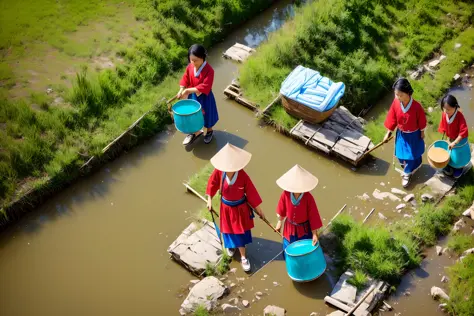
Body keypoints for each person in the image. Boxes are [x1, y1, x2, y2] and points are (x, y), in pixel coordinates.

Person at [206, 143, 265, 272]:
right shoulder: (219, 172)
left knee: (239, 232)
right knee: (228, 230)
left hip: (240, 209)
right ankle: (231, 247)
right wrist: (209, 199)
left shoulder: (242, 175)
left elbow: (251, 193)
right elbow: (212, 184)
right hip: (226, 207)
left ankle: (243, 257)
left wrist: (259, 210)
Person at [383, 78, 427, 187]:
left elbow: (422, 121)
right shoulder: (396, 103)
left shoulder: (417, 107)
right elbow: (392, 117)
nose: (398, 97)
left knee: (410, 155)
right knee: (400, 155)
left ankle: (407, 174)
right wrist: (389, 132)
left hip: (413, 135)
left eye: (400, 95)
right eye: (396, 95)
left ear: (408, 93)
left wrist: (422, 132)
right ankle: (410, 166)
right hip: (401, 135)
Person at [274, 164, 323, 252]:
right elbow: (282, 210)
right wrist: (279, 222)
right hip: (289, 228)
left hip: (304, 229)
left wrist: (315, 234)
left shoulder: (308, 197)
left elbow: (313, 216)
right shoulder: (285, 194)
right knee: (288, 249)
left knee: (303, 250)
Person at [178, 44, 219, 145]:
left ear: (202, 58)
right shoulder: (190, 67)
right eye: (191, 60)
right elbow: (185, 79)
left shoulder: (209, 71)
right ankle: (194, 132)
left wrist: (187, 91)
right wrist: (181, 89)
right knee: (192, 115)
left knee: (207, 115)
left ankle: (209, 132)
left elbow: (206, 86)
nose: (193, 62)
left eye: (195, 60)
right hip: (194, 97)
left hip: (205, 98)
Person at [437, 94, 470, 178]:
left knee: (459, 156)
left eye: (449, 109)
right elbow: (443, 124)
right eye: (445, 109)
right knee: (450, 153)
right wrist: (443, 132)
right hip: (451, 138)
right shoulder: (444, 114)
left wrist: (455, 142)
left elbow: (463, 131)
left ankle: (459, 168)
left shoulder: (459, 116)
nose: (446, 111)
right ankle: (450, 165)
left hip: (460, 140)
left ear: (455, 107)